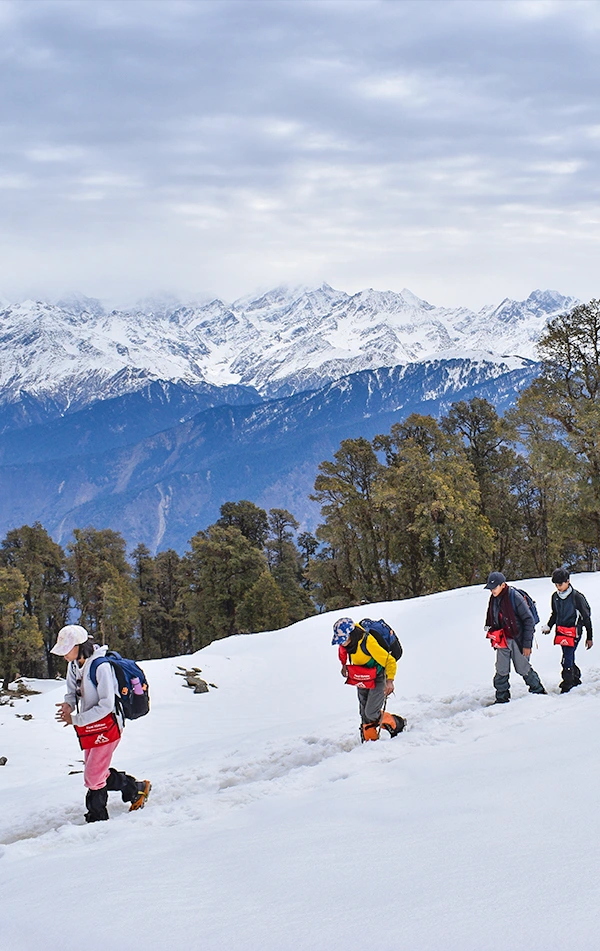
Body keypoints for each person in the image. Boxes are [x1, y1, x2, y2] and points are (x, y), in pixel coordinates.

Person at [53, 624, 151, 822]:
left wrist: (76, 720)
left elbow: (106, 705)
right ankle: (135, 789)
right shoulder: (74, 665)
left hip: (108, 725)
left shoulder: (101, 667)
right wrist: (68, 705)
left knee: (93, 776)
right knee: (96, 773)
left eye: (67, 649)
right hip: (90, 726)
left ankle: (97, 819)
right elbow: (72, 692)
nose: (64, 655)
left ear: (80, 646)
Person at [332, 617, 405, 741]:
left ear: (352, 634)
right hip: (361, 675)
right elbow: (342, 652)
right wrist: (343, 665)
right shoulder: (346, 644)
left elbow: (390, 661)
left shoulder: (367, 642)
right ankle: (370, 741)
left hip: (378, 676)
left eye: (343, 640)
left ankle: (397, 723)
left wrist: (390, 681)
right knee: (364, 713)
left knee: (371, 712)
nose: (342, 643)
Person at [484, 571, 546, 703]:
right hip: (502, 639)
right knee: (501, 669)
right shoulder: (494, 599)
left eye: (494, 587)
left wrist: (527, 645)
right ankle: (501, 698)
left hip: (518, 639)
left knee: (523, 668)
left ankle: (538, 691)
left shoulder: (515, 597)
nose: (492, 590)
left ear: (502, 585)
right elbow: (491, 616)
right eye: (490, 588)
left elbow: (529, 620)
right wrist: (489, 630)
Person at [541, 567, 593, 693]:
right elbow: (555, 614)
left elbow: (586, 617)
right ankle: (575, 677)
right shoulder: (555, 597)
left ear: (568, 581)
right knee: (567, 657)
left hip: (574, 632)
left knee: (566, 659)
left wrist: (589, 637)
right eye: (556, 585)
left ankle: (568, 684)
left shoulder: (577, 597)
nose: (558, 587)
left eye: (560, 584)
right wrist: (549, 626)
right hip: (561, 632)